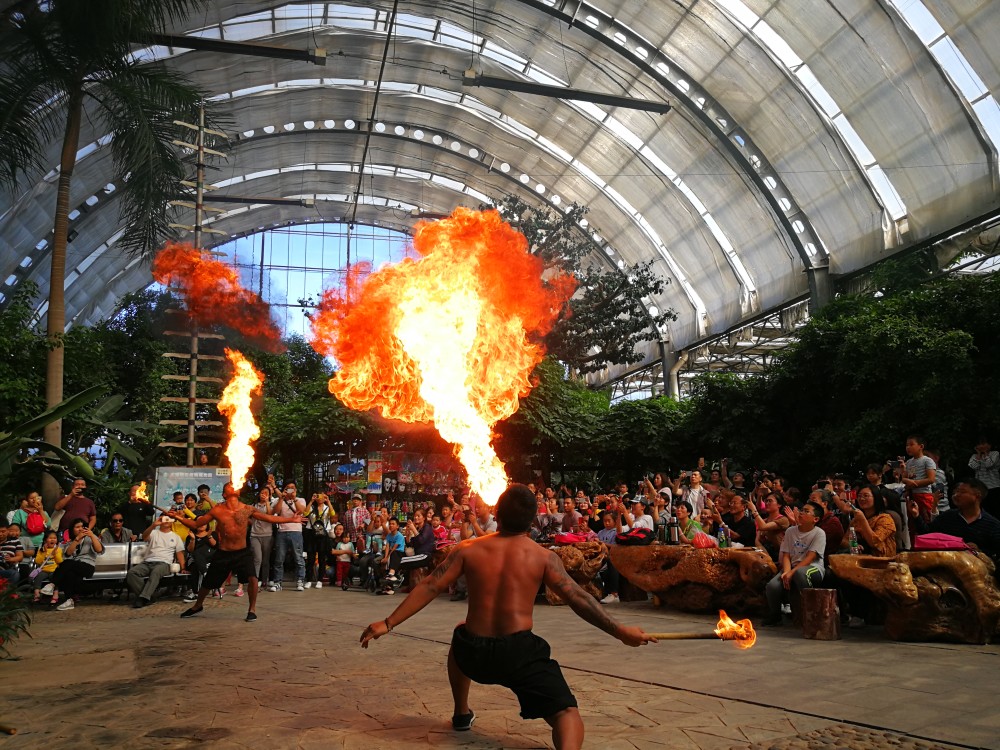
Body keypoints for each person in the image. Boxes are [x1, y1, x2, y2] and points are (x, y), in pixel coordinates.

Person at [359, 484, 656, 749]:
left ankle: (461, 712)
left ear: (497, 514)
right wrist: (619, 631)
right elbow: (578, 598)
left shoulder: (467, 550)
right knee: (566, 713)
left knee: (460, 633)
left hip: (474, 654)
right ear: (532, 520)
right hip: (519, 656)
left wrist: (389, 623)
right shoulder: (543, 557)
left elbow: (431, 584)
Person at [169, 482, 303, 622]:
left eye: (235, 486)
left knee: (252, 578)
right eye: (229, 487)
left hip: (242, 552)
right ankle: (198, 606)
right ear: (224, 494)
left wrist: (291, 519)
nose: (233, 486)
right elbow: (196, 524)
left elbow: (269, 518)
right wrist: (178, 517)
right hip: (223, 552)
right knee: (208, 583)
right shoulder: (218, 510)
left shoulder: (246, 509)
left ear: (238, 493)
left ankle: (252, 610)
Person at [763, 500, 826, 626]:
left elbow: (810, 557)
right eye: (802, 510)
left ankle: (810, 613)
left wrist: (792, 572)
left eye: (806, 511)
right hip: (791, 566)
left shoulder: (819, 533)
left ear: (816, 519)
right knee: (772, 586)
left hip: (812, 567)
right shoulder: (790, 531)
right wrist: (786, 572)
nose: (801, 513)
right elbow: (786, 555)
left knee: (800, 574)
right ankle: (775, 615)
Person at [910, 478, 1000, 566]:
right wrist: (916, 515)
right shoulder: (947, 517)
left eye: (962, 492)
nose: (956, 495)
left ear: (977, 495)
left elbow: (996, 552)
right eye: (956, 492)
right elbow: (927, 534)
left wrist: (980, 550)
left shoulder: (993, 525)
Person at [125, 513, 186, 608]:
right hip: (148, 562)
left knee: (156, 572)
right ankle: (148, 597)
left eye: (168, 519)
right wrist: (153, 525)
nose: (165, 520)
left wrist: (183, 568)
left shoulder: (175, 537)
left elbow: (180, 554)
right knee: (132, 573)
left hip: (164, 564)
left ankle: (143, 598)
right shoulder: (153, 532)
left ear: (171, 522)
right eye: (163, 518)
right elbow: (144, 537)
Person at [49, 518, 105, 611]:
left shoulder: (90, 538)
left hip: (87, 566)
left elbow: (99, 550)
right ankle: (69, 601)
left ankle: (53, 584)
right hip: (73, 567)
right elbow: (68, 554)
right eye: (77, 527)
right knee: (69, 573)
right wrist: (77, 539)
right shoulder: (71, 541)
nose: (80, 529)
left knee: (68, 563)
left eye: (82, 527)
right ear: (72, 529)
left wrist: (92, 536)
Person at [269, 481, 306, 592]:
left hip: (296, 531)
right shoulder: (278, 499)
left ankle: (300, 580)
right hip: (282, 531)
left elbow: (301, 512)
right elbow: (276, 511)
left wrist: (294, 499)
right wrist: (281, 498)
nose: (290, 490)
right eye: (288, 488)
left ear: (296, 490)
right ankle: (277, 582)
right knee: (279, 558)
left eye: (292, 488)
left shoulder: (300, 500)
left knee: (298, 557)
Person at [903, 435, 937, 527]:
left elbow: (931, 479)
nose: (908, 447)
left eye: (911, 444)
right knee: (913, 522)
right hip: (912, 496)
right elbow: (904, 478)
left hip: (924, 495)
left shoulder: (927, 460)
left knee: (926, 520)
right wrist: (907, 481)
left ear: (921, 446)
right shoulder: (909, 462)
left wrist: (915, 483)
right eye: (907, 445)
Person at [303, 493, 334, 589]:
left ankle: (320, 580)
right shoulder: (312, 507)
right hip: (312, 534)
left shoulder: (327, 507)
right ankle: (309, 580)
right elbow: (305, 513)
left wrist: (328, 501)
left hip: (323, 535)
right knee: (311, 558)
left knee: (321, 558)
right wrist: (311, 500)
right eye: (318, 496)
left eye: (322, 496)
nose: (320, 498)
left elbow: (333, 514)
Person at [250, 487, 276, 591]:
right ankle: (255, 581)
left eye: (266, 493)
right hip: (255, 535)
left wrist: (267, 502)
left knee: (265, 560)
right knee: (257, 559)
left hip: (267, 535)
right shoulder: (253, 505)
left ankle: (264, 580)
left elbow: (270, 515)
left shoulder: (271, 505)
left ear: (269, 495)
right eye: (261, 492)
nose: (263, 494)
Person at [969, 439, 1000, 516]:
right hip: (980, 488)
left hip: (994, 486)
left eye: (983, 443)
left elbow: (988, 464)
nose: (981, 446)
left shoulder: (995, 454)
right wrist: (979, 455)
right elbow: (973, 467)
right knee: (984, 510)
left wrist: (985, 453)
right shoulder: (974, 456)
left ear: (989, 445)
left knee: (996, 510)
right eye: (979, 444)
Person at [31, 530, 63, 603]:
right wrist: (44, 552)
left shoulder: (58, 549)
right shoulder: (41, 549)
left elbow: (60, 561)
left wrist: (55, 554)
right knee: (38, 577)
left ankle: (55, 595)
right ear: (45, 540)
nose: (52, 540)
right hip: (44, 570)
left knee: (56, 579)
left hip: (54, 570)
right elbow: (38, 561)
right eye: (50, 538)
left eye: (54, 538)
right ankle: (37, 594)